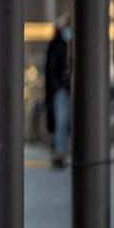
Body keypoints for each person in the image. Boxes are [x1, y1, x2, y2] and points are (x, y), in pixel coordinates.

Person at [44, 15, 73, 169]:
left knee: (63, 122)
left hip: (62, 89)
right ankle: (59, 154)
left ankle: (61, 153)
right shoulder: (59, 45)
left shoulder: (65, 44)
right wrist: (59, 86)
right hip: (61, 90)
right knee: (61, 122)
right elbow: (53, 70)